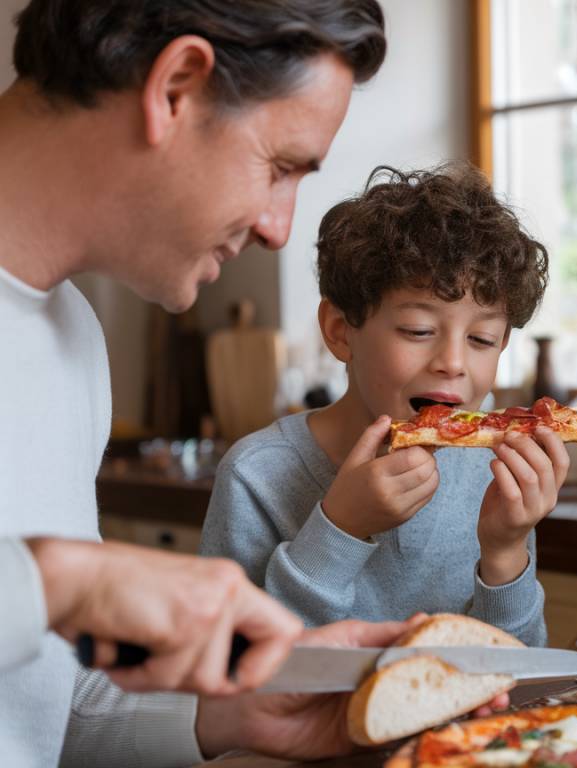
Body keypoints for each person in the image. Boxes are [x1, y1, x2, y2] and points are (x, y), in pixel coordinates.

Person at [0, 1, 458, 765]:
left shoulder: (72, 335)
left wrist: (230, 716)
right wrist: (61, 581)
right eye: (281, 167)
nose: (281, 227)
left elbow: (47, 706)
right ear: (176, 86)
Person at [200, 163, 564, 647]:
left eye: (482, 338)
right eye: (418, 330)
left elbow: (517, 678)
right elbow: (236, 670)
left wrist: (505, 550)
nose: (453, 362)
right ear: (339, 332)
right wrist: (341, 528)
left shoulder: (492, 477)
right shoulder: (256, 475)